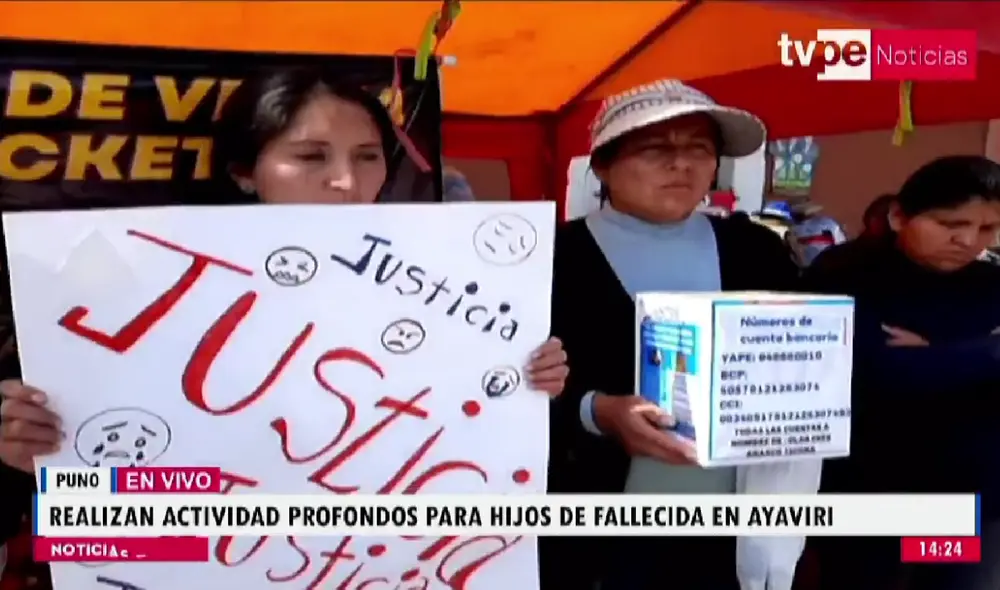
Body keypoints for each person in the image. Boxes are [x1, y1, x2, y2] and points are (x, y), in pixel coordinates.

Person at [0, 68, 569, 583]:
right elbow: (118, 509)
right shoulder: (131, 288)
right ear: (245, 172)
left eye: (368, 156)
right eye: (311, 156)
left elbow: (479, 444)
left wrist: (525, 383)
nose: (345, 181)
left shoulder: (446, 288)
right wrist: (28, 453)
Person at [543, 79, 799, 590]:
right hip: (600, 521)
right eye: (656, 148)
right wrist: (597, 411)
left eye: (699, 149)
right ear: (603, 166)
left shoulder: (756, 249)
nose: (681, 164)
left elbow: (800, 360)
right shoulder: (551, 258)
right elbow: (514, 383)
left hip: (734, 515)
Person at [806, 156, 1000, 590]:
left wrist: (944, 355)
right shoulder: (844, 275)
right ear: (898, 216)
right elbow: (878, 371)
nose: (968, 240)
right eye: (950, 223)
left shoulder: (991, 283)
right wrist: (984, 352)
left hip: (966, 499)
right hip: (866, 493)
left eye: (987, 228)